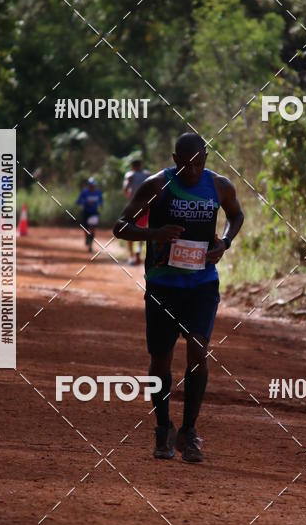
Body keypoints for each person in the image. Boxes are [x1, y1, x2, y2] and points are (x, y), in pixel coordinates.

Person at [113, 133, 244, 463]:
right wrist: (154, 234)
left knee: (198, 353)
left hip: (202, 284)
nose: (192, 171)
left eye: (198, 164)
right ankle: (162, 428)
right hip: (163, 286)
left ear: (206, 158)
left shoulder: (219, 186)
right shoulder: (157, 186)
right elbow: (120, 226)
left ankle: (189, 431)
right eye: (185, 165)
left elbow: (236, 215)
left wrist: (224, 244)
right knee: (161, 360)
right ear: (174, 159)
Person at [122, 157, 151, 264]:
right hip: (145, 206)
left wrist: (129, 198)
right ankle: (139, 250)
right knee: (142, 229)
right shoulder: (147, 175)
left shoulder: (130, 175)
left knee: (128, 228)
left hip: (132, 206)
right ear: (141, 165)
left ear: (132, 166)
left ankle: (131, 255)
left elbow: (125, 189)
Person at [76, 176, 103, 252]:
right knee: (85, 228)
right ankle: (87, 238)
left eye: (93, 185)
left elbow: (101, 201)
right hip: (86, 212)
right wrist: (86, 202)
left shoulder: (98, 192)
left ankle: (90, 244)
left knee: (92, 228)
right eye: (91, 185)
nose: (92, 187)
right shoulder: (84, 192)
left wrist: (100, 205)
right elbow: (78, 201)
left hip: (94, 213)